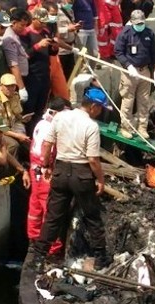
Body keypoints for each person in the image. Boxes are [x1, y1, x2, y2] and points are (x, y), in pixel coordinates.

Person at [30, 87, 111, 271]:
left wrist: (46, 165)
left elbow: (48, 144)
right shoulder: (91, 126)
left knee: (52, 217)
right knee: (92, 216)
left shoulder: (60, 117)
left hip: (60, 170)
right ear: (93, 107)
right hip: (81, 174)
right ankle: (100, 257)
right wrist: (100, 179)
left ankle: (38, 257)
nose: (99, 112)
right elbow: (92, 159)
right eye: (99, 108)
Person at [28, 97, 68, 255]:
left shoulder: (41, 123)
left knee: (36, 203)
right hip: (45, 169)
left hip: (35, 169)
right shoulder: (51, 127)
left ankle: (34, 236)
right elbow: (47, 148)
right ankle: (53, 247)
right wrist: (47, 166)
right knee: (51, 208)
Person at [114, 9, 155, 139]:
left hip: (145, 72)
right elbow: (118, 52)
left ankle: (142, 128)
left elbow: (154, 52)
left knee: (144, 101)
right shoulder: (125, 34)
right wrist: (128, 66)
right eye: (137, 23)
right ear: (132, 22)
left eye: (141, 23)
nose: (140, 25)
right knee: (128, 100)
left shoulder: (149, 33)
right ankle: (126, 127)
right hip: (130, 73)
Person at [23, 7, 57, 125]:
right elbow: (23, 54)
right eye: (42, 22)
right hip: (31, 76)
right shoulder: (26, 33)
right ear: (34, 19)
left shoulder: (46, 32)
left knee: (41, 106)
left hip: (45, 74)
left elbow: (51, 53)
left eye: (45, 23)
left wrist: (54, 48)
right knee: (29, 108)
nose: (44, 25)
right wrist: (38, 46)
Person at [0, 73, 28, 156]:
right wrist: (17, 135)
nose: (11, 89)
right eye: (7, 86)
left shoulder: (14, 96)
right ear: (0, 86)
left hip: (11, 126)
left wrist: (23, 118)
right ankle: (9, 167)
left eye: (13, 86)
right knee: (13, 145)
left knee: (27, 134)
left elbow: (17, 114)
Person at [1, 8, 31, 103]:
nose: (24, 28)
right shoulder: (9, 38)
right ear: (14, 23)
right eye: (22, 25)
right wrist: (21, 88)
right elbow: (13, 65)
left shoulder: (15, 34)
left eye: (25, 25)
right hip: (16, 81)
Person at [54, 0, 78, 80]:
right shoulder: (55, 11)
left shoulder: (70, 10)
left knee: (70, 76)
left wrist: (75, 27)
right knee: (61, 77)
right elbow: (54, 32)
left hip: (70, 49)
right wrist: (67, 29)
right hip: (61, 50)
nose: (71, 2)